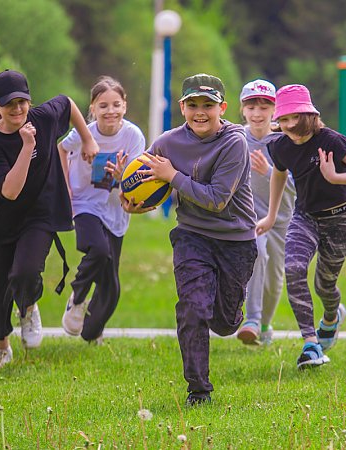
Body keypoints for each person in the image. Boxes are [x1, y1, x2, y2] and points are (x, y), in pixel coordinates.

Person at [121, 74, 257, 406]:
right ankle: (199, 390)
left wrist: (173, 176)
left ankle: (230, 313)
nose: (200, 112)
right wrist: (131, 201)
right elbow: (146, 181)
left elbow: (217, 199)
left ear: (222, 108)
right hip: (192, 237)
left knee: (224, 324)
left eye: (208, 105)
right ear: (182, 107)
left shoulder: (234, 143)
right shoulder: (167, 143)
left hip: (235, 240)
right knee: (193, 308)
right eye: (193, 104)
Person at [0, 69, 98, 368]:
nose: (17, 109)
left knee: (25, 272)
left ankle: (27, 306)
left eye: (22, 102)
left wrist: (88, 139)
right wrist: (28, 146)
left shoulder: (43, 117)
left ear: (29, 101)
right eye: (9, 103)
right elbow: (10, 191)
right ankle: (1, 347)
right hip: (2, 220)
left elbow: (67, 102)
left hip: (40, 214)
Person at [256, 84, 346, 370]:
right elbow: (278, 174)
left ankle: (332, 318)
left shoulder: (332, 140)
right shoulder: (280, 145)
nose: (286, 125)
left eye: (292, 118)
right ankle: (310, 343)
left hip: (340, 219)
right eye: (282, 119)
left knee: (325, 284)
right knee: (294, 268)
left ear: (308, 115)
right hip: (305, 217)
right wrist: (272, 216)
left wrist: (335, 178)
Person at [59, 76, 146, 344]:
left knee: (112, 287)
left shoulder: (133, 136)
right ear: (93, 108)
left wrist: (123, 177)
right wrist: (66, 190)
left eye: (116, 104)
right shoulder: (85, 132)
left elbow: (136, 186)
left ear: (125, 106)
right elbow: (60, 149)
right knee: (97, 250)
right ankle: (77, 297)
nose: (111, 111)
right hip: (85, 204)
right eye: (103, 105)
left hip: (116, 211)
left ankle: (91, 331)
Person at [233, 79, 295, 347]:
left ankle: (266, 324)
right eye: (251, 107)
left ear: (275, 111)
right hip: (249, 217)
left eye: (263, 107)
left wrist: (269, 172)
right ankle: (253, 320)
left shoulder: (286, 140)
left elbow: (296, 187)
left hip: (282, 221)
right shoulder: (235, 138)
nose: (257, 113)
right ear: (242, 110)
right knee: (257, 253)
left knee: (273, 278)